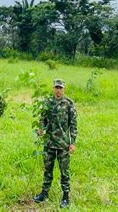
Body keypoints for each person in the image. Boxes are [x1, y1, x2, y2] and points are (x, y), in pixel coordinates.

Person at [33, 79, 77, 209]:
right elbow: (43, 119)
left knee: (64, 172)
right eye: (56, 87)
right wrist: (41, 128)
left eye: (60, 88)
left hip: (63, 144)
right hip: (49, 143)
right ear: (53, 88)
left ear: (63, 89)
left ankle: (65, 196)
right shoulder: (47, 103)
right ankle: (44, 193)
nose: (58, 90)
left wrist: (73, 142)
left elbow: (73, 125)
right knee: (47, 170)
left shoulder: (69, 104)